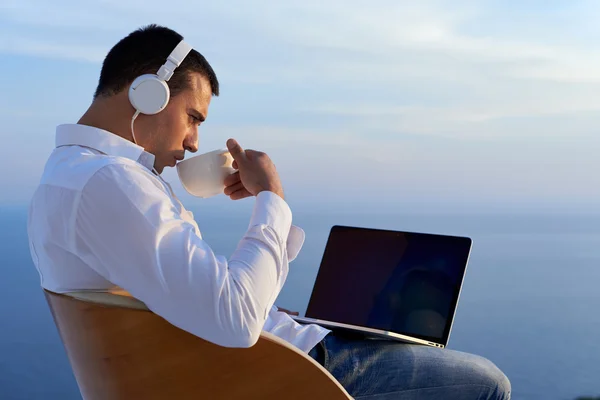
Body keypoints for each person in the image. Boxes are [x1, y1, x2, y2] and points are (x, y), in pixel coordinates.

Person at [27, 24, 511, 399]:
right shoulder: (112, 182)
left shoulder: (66, 177)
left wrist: (273, 261)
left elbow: (199, 299)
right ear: (145, 92)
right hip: (286, 370)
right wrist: (271, 200)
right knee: (488, 382)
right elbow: (235, 320)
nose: (194, 140)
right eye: (194, 116)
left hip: (259, 353)